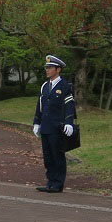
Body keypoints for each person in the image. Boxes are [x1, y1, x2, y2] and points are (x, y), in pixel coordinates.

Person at [32, 55, 76, 193]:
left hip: (57, 127)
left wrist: (69, 122)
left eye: (50, 68)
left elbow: (69, 105)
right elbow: (40, 106)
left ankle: (58, 184)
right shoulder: (45, 86)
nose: (47, 70)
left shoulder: (65, 86)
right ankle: (50, 182)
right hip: (46, 126)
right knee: (48, 156)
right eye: (46, 67)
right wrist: (36, 123)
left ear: (58, 69)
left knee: (58, 156)